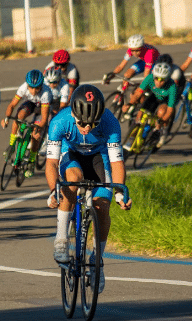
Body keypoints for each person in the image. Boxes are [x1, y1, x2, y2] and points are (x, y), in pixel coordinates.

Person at [45, 84, 132, 293]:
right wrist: (53, 190)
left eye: (92, 123)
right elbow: (51, 163)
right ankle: (61, 238)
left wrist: (120, 192)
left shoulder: (110, 123)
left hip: (98, 157)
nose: (86, 128)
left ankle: (97, 261)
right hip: (71, 154)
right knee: (72, 179)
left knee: (102, 206)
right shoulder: (59, 122)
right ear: (74, 114)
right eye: (82, 123)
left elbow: (116, 163)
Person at [0, 69, 52, 178]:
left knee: (35, 134)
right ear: (27, 85)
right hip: (31, 103)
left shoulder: (46, 93)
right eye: (31, 87)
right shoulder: (23, 88)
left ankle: (31, 161)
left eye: (37, 88)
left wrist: (39, 128)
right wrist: (6, 118)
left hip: (41, 107)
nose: (33, 91)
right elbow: (12, 105)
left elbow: (44, 117)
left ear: (41, 86)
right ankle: (12, 144)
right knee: (18, 117)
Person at [122, 61, 178, 149]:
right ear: (154, 76)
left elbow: (170, 110)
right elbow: (138, 93)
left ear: (167, 79)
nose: (159, 82)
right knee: (140, 113)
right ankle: (132, 137)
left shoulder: (172, 87)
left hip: (165, 100)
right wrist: (129, 104)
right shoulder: (149, 78)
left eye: (162, 80)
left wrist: (162, 121)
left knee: (161, 112)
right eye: (157, 78)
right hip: (154, 96)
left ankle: (162, 131)